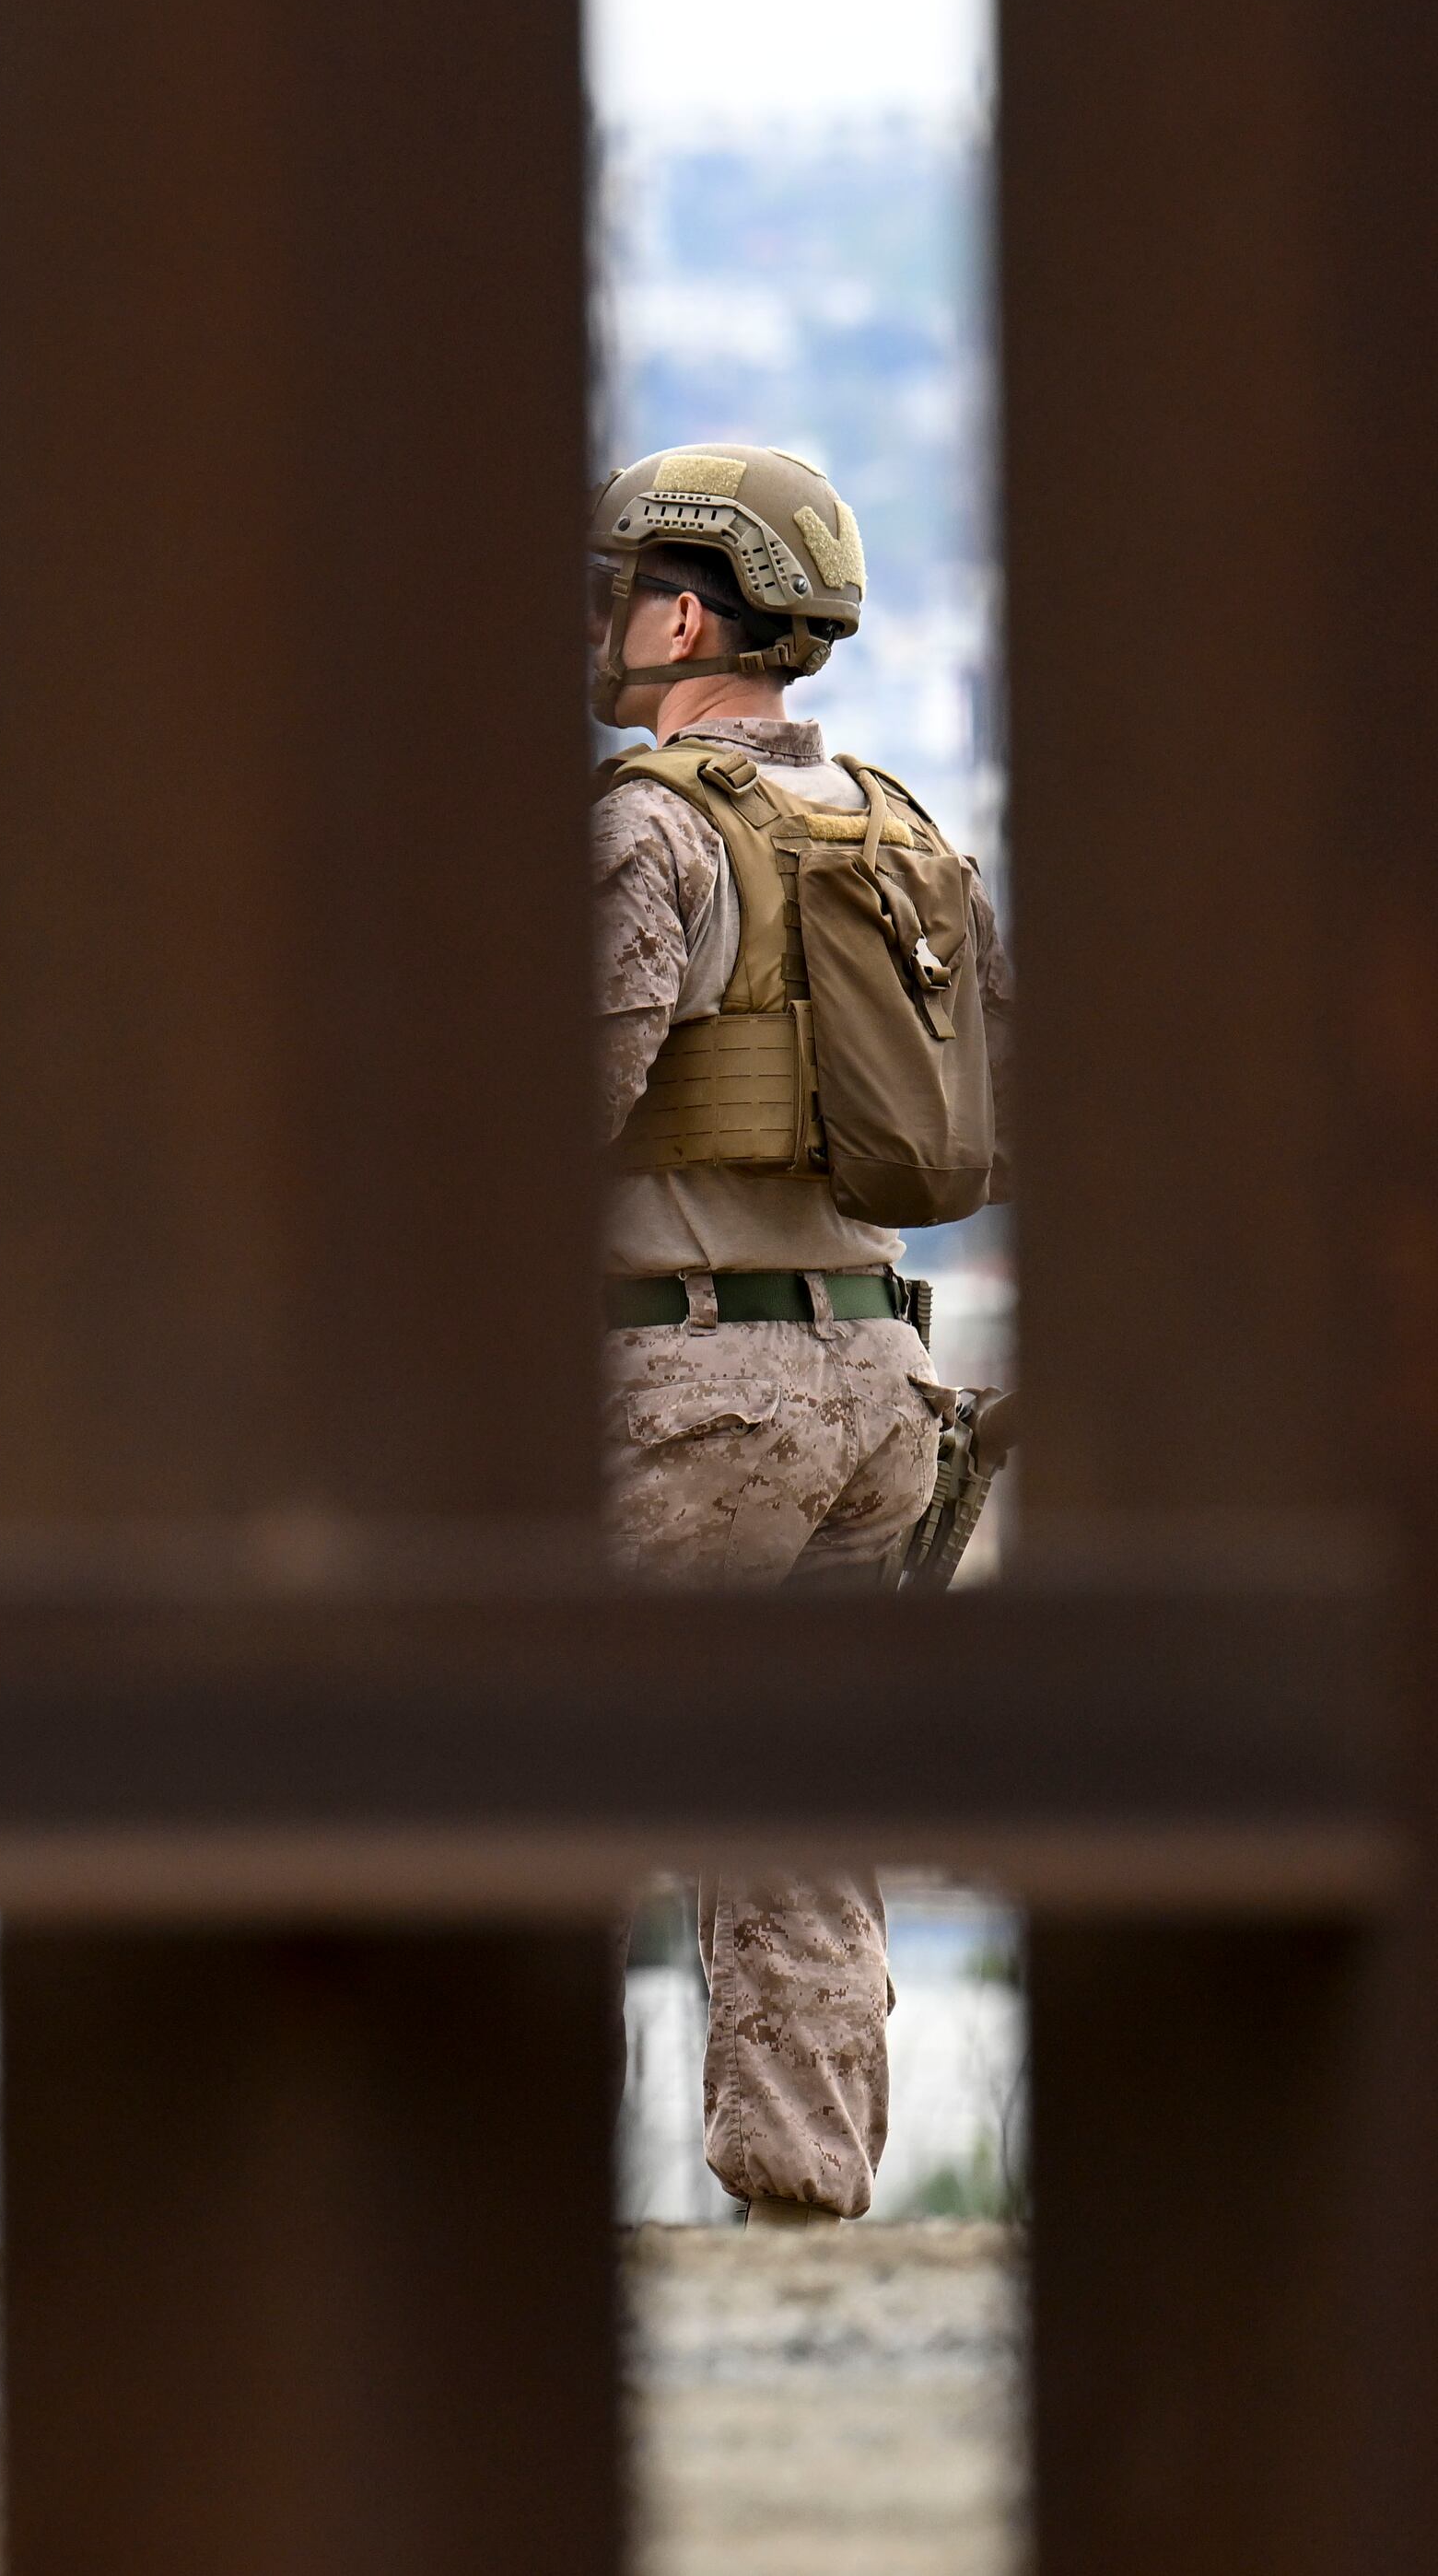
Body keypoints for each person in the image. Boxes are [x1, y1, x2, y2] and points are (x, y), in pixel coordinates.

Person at [589, 445, 1010, 2226]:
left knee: (510, 1768)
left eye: (619, 587)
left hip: (691, 1389)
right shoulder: (903, 828)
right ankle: (808, 2217)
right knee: (799, 1827)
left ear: (684, 611)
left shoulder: (650, 823)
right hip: (877, 1386)